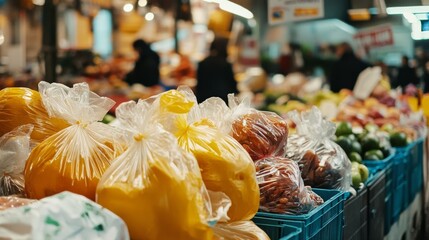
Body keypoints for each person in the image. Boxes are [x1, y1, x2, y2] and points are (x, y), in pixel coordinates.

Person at [196, 37, 238, 103]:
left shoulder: (203, 63)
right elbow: (232, 83)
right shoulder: (226, 64)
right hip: (223, 100)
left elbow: (199, 83)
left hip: (204, 100)